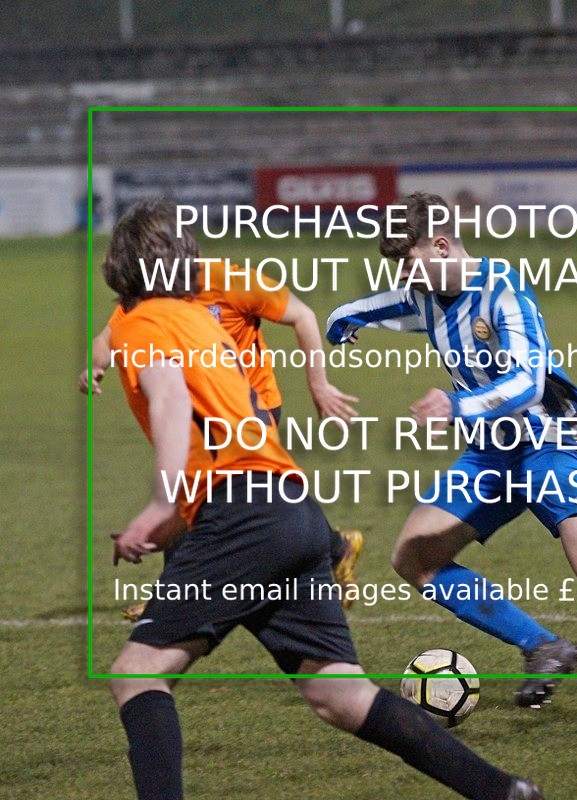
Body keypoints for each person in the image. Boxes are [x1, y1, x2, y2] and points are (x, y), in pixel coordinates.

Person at [101, 198, 544, 800]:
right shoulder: (197, 318)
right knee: (341, 696)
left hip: (242, 516)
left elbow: (175, 404)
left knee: (137, 674)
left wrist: (161, 506)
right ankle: (505, 792)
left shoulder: (140, 322)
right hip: (292, 510)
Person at [325, 191, 577, 728]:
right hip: (492, 453)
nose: (404, 275)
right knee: (414, 558)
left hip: (548, 441)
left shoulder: (503, 291)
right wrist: (341, 318)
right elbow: (379, 306)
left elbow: (528, 381)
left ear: (443, 246)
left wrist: (458, 405)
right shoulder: (425, 293)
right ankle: (543, 646)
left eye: (408, 261)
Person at [82, 242, 363, 611]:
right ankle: (336, 547)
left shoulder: (226, 279)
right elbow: (108, 337)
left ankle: (174, 597)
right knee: (243, 492)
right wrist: (96, 365)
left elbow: (303, 316)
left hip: (253, 405)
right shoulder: (156, 294)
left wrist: (319, 385)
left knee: (205, 491)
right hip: (204, 411)